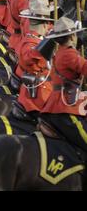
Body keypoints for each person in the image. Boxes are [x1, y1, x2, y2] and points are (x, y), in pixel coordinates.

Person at [40, 16, 87, 153]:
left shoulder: (60, 52)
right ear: (72, 36)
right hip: (66, 108)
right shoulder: (69, 54)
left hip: (60, 103)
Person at [15, 0, 54, 120]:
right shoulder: (31, 44)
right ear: (44, 25)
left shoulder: (34, 39)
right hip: (40, 97)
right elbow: (29, 58)